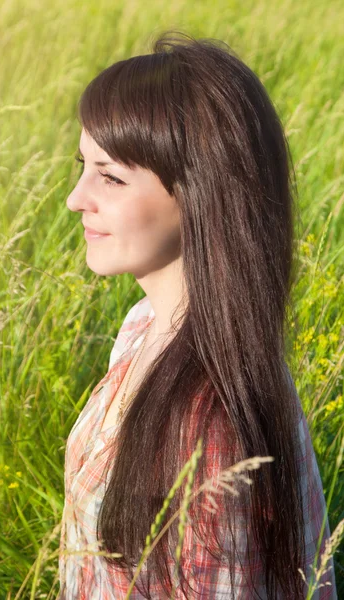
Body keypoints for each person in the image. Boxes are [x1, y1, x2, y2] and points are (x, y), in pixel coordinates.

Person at [59, 30, 338, 599]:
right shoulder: (146, 325)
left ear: (200, 193)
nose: (76, 197)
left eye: (109, 176)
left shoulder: (206, 427)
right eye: (83, 166)